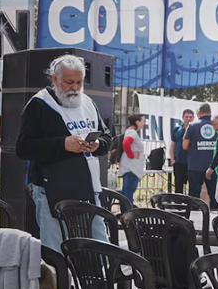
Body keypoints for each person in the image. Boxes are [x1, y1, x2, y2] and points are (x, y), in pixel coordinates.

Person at [16, 55, 111, 251]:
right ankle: (59, 281)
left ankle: (100, 280)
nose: (75, 88)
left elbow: (108, 137)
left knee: (100, 244)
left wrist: (98, 144)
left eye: (79, 82)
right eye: (69, 82)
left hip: (88, 187)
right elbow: (23, 148)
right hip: (51, 189)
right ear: (55, 79)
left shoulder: (87, 103)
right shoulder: (39, 104)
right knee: (55, 248)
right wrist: (63, 144)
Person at [183, 103, 218, 210]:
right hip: (213, 165)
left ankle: (193, 218)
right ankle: (214, 219)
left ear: (199, 112)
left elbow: (185, 146)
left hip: (195, 164)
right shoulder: (216, 125)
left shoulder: (192, 126)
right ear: (210, 113)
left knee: (194, 194)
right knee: (213, 194)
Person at [118, 114, 146, 204]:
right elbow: (126, 143)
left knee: (126, 191)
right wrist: (131, 155)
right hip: (132, 167)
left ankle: (125, 212)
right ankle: (127, 213)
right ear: (137, 122)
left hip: (130, 167)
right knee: (129, 191)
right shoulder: (132, 133)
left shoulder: (130, 132)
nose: (144, 123)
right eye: (143, 121)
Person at [170, 109, 194, 194]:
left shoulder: (195, 129)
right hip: (179, 161)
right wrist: (172, 159)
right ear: (183, 118)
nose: (188, 119)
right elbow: (173, 145)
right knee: (178, 185)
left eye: (190, 117)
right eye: (186, 117)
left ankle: (190, 205)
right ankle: (178, 204)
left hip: (191, 163)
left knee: (192, 185)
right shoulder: (177, 129)